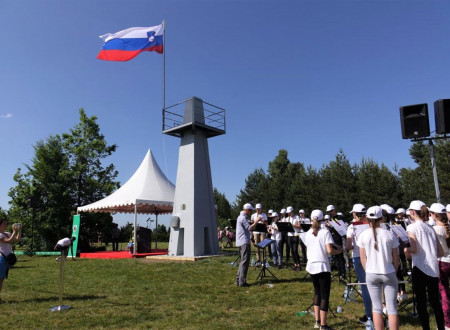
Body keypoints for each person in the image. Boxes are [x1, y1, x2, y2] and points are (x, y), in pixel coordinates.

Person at [404, 200, 445, 330]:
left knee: (421, 302)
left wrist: (406, 250)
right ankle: (441, 327)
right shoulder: (430, 228)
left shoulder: (411, 227)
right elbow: (441, 251)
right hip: (433, 267)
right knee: (435, 302)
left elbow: (414, 248)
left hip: (420, 266)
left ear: (412, 212)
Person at [358, 205, 400, 330]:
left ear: (367, 218)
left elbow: (362, 259)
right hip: (388, 271)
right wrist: (395, 270)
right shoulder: (389, 234)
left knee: (376, 308)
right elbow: (396, 257)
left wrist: (368, 270)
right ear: (382, 218)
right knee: (392, 308)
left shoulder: (363, 235)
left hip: (371, 273)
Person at [305, 209, 342, 330]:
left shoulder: (307, 233)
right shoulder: (325, 232)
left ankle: (317, 321)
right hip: (322, 266)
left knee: (317, 292)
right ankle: (323, 325)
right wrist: (340, 251)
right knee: (324, 295)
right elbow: (330, 250)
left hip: (311, 265)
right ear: (322, 220)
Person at [345, 203, 372, 325]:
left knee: (365, 286)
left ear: (355, 214)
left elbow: (348, 246)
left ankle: (370, 316)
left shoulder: (352, 227)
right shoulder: (371, 224)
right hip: (372, 256)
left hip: (358, 256)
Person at [429, 203, 450, 329]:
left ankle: (447, 324)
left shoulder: (435, 229)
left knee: (444, 294)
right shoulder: (446, 227)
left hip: (442, 262)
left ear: (435, 215)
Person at [235, 203, 258, 287]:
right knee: (245, 261)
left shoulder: (241, 217)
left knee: (242, 261)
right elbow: (250, 228)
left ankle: (238, 280)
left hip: (241, 242)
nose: (251, 212)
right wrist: (256, 221)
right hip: (244, 242)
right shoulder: (242, 218)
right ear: (247, 210)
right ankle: (242, 282)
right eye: (250, 210)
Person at [0, 219, 21, 303]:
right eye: (4, 224)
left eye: (6, 223)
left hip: (6, 260)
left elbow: (17, 239)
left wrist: (19, 230)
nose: (6, 225)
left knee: (1, 279)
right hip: (1, 259)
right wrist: (13, 231)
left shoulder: (7, 233)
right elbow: (8, 241)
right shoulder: (0, 235)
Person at [326, 205, 346, 280]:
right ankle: (339, 271)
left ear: (334, 210)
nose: (330, 213)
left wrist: (332, 224)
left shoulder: (340, 217)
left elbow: (341, 226)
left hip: (339, 237)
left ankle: (343, 273)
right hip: (332, 237)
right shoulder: (330, 218)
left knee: (340, 255)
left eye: (331, 211)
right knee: (335, 256)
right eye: (329, 212)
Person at [286, 206, 302, 271]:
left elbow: (299, 226)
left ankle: (299, 265)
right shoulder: (287, 218)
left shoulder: (297, 217)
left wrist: (293, 225)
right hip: (289, 235)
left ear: (292, 212)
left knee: (295, 250)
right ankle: (295, 264)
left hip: (295, 235)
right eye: (288, 213)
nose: (289, 214)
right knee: (292, 251)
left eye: (290, 212)